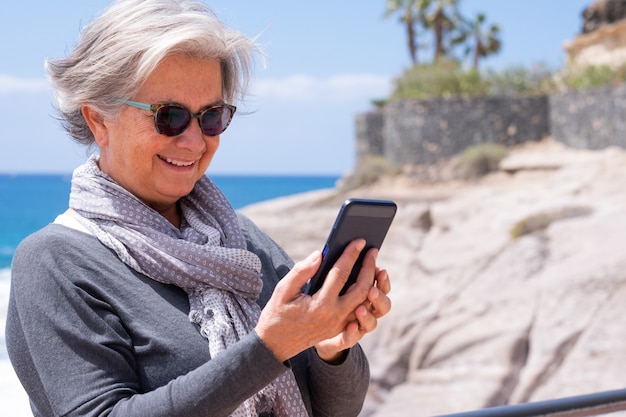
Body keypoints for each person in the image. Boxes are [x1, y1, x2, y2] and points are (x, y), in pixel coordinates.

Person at [5, 1, 392, 416]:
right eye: (169, 117)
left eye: (211, 117)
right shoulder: (54, 262)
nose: (194, 141)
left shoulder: (240, 241)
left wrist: (330, 347)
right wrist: (269, 348)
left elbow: (333, 411)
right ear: (99, 121)